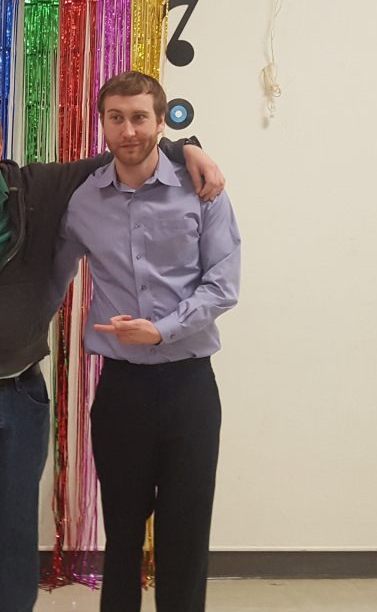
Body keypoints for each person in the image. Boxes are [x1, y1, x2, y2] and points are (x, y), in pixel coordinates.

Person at [0, 98, 226, 612]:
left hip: (22, 395)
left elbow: (128, 150)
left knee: (13, 543)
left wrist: (185, 147)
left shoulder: (35, 190)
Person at [54, 72, 241, 612]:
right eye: (116, 118)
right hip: (121, 392)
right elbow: (53, 275)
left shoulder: (201, 188)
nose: (128, 130)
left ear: (162, 122)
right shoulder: (82, 201)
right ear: (103, 124)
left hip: (189, 388)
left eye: (140, 117)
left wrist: (163, 329)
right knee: (122, 540)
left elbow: (223, 283)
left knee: (185, 537)